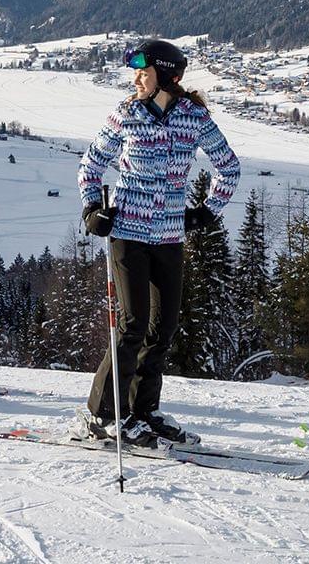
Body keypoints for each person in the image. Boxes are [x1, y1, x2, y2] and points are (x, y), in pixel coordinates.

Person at [75, 38, 241, 447]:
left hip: (169, 235)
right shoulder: (125, 114)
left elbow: (229, 167)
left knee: (161, 330)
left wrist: (205, 211)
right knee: (132, 327)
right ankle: (101, 415)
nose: (136, 79)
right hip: (128, 234)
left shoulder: (194, 118)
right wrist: (93, 210)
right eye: (136, 72)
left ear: (166, 76)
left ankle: (142, 410)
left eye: (143, 72)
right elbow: (91, 165)